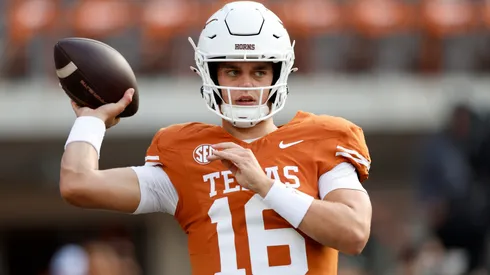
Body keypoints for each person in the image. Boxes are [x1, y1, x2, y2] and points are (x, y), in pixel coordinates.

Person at [59, 1, 373, 274]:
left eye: (259, 71)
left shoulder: (321, 139)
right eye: (233, 72)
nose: (246, 85)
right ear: (211, 74)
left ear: (278, 74)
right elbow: (78, 184)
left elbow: (354, 233)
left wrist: (265, 185)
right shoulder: (187, 154)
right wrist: (91, 121)